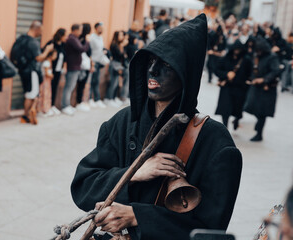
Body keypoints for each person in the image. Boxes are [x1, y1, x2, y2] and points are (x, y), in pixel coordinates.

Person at [71, 14, 242, 239]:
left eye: (167, 65)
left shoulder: (215, 142)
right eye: (151, 62)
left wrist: (138, 216)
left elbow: (210, 229)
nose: (153, 71)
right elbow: (83, 185)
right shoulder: (122, 122)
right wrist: (133, 173)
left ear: (186, 74)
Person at [244, 36, 281, 142]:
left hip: (267, 89)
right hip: (256, 88)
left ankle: (259, 133)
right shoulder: (257, 56)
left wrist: (263, 79)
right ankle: (258, 127)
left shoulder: (272, 57)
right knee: (252, 107)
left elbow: (275, 71)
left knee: (262, 112)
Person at [18, 21, 54, 124]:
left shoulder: (22, 38)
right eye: (41, 30)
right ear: (37, 29)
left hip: (23, 70)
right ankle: (26, 115)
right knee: (32, 94)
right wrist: (47, 51)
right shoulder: (33, 42)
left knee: (28, 93)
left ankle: (27, 114)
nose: (41, 33)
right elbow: (39, 58)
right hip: (32, 71)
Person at [215, 40, 253, 129]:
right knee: (225, 109)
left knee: (238, 108)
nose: (236, 51)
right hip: (227, 87)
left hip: (240, 88)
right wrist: (226, 74)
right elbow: (217, 70)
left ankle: (236, 120)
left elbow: (250, 73)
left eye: (238, 50)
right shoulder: (226, 58)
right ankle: (225, 127)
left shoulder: (246, 60)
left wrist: (248, 82)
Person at [61, 24, 89, 116]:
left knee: (71, 87)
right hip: (72, 66)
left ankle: (67, 105)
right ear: (75, 30)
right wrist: (87, 43)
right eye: (80, 30)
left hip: (75, 66)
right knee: (69, 87)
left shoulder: (74, 39)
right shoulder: (72, 39)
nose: (81, 32)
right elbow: (81, 49)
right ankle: (65, 106)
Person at [43, 28, 67, 116]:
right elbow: (45, 53)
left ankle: (52, 105)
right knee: (48, 89)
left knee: (54, 88)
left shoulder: (63, 45)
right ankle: (47, 106)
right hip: (50, 70)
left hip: (58, 70)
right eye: (65, 35)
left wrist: (64, 67)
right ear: (60, 36)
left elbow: (65, 57)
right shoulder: (51, 44)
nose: (66, 37)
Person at [89, 22, 109, 109]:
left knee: (96, 81)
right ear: (96, 28)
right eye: (100, 27)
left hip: (99, 62)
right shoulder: (92, 38)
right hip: (93, 62)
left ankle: (96, 99)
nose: (102, 29)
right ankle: (90, 99)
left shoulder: (100, 37)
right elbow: (90, 51)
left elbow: (101, 48)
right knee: (92, 81)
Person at [105, 31, 126, 107]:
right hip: (114, 65)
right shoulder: (114, 45)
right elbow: (120, 55)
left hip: (118, 64)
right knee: (113, 83)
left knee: (116, 83)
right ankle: (109, 98)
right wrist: (122, 47)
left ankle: (113, 98)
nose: (122, 37)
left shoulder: (118, 44)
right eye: (120, 35)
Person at [76, 23, 93, 112]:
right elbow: (87, 51)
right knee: (81, 84)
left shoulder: (81, 39)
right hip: (83, 65)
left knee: (82, 84)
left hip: (84, 64)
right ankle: (79, 102)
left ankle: (80, 101)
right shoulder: (84, 40)